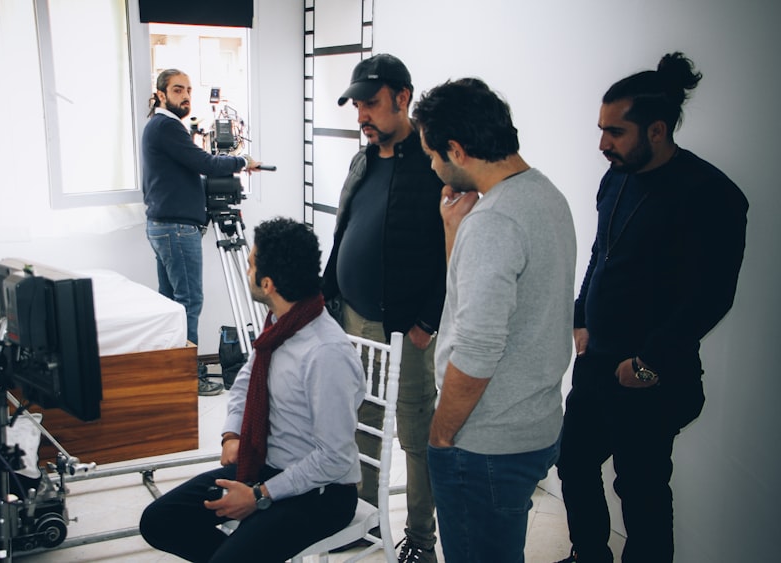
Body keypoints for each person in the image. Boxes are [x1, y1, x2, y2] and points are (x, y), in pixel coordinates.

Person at [554, 52, 748, 563]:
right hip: (598, 363)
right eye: (601, 129)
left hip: (652, 376)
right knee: (572, 463)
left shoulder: (712, 194)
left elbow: (712, 296)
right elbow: (602, 251)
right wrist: (580, 316)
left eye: (615, 132)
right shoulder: (616, 178)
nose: (602, 144)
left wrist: (648, 362)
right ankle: (588, 556)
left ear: (657, 130)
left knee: (641, 495)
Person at [411, 77, 577, 562]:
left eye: (433, 155)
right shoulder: (544, 194)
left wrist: (441, 434)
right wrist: (454, 231)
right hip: (534, 423)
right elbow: (471, 303)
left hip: (486, 443)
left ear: (457, 150)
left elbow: (479, 349)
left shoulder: (495, 222)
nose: (433, 165)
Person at [139, 217, 366, 562]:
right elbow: (246, 381)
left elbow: (335, 459)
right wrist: (232, 434)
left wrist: (260, 495)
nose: (246, 271)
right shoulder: (279, 326)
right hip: (266, 467)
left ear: (268, 283)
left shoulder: (325, 353)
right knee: (159, 521)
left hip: (321, 494)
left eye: (250, 264)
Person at [321, 53, 445, 563]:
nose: (361, 116)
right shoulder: (364, 159)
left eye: (370, 104)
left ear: (402, 98)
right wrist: (327, 293)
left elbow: (450, 251)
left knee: (416, 436)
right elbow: (343, 229)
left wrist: (427, 322)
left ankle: (419, 539)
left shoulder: (434, 162)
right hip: (354, 318)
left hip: (406, 331)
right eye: (356, 105)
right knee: (363, 423)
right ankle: (366, 522)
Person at [141, 68, 261, 396]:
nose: (186, 96)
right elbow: (205, 163)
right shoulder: (166, 126)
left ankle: (173, 372)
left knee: (172, 304)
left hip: (165, 227)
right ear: (162, 94)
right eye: (178, 90)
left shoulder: (160, 127)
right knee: (189, 300)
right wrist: (241, 162)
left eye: (189, 90)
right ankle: (188, 376)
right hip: (176, 229)